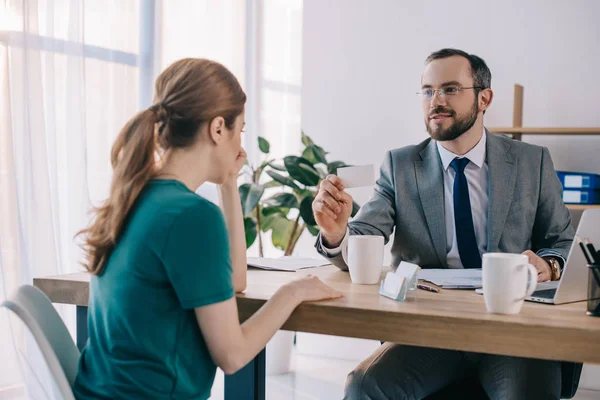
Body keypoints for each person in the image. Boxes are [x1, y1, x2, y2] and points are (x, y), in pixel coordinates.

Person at [312, 49, 574, 399]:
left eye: (450, 89)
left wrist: (550, 264)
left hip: (513, 329)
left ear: (485, 98)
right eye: (427, 90)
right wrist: (335, 231)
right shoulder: (401, 165)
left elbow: (565, 243)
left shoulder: (532, 162)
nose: (436, 100)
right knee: (364, 387)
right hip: (430, 329)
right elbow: (361, 241)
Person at [73, 58, 341, 399]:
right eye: (239, 130)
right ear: (217, 129)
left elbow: (233, 281)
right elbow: (232, 355)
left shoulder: (138, 194)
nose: (240, 145)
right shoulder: (191, 216)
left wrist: (228, 184)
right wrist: (292, 292)